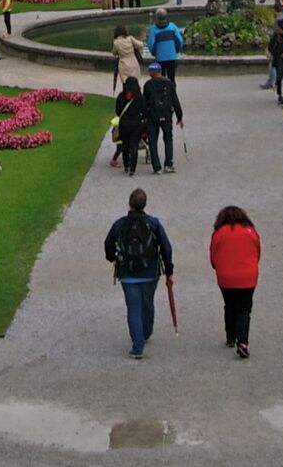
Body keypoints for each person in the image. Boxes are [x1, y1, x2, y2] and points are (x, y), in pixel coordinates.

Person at [104, 187, 175, 359]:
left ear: (129, 203)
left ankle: (137, 346)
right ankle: (146, 331)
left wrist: (113, 258)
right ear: (145, 204)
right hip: (150, 271)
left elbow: (108, 244)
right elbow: (166, 247)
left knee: (133, 307)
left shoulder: (120, 224)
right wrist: (169, 270)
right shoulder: (153, 223)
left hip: (127, 272)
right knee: (147, 302)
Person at [210, 205, 261, 358]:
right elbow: (258, 252)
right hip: (248, 276)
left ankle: (230, 336)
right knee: (244, 309)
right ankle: (243, 342)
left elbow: (213, 256)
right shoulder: (250, 232)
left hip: (226, 277)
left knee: (230, 305)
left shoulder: (219, 234)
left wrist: (218, 267)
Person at [141, 62, 184, 173]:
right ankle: (168, 163)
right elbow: (175, 100)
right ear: (160, 72)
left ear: (151, 73)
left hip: (152, 116)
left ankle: (157, 167)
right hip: (166, 114)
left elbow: (144, 103)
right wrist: (179, 116)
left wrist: (144, 116)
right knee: (168, 139)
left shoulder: (148, 85)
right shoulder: (169, 84)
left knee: (153, 141)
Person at [112, 76, 146, 175]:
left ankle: (126, 165)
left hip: (124, 124)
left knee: (125, 145)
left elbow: (118, 112)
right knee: (134, 145)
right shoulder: (139, 98)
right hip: (136, 124)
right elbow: (144, 111)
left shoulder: (121, 97)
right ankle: (132, 169)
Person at [111, 24, 151, 89]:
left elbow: (114, 53)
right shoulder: (130, 39)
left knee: (125, 83)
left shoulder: (116, 42)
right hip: (133, 62)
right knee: (135, 82)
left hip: (123, 63)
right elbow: (141, 45)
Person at [261, 17, 283, 101]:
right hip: (277, 60)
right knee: (279, 77)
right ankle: (279, 94)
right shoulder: (276, 36)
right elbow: (271, 46)